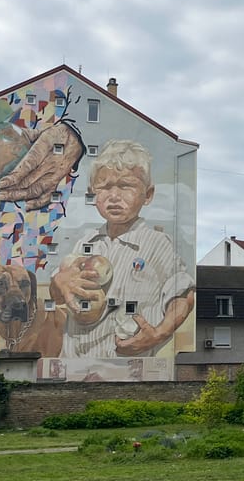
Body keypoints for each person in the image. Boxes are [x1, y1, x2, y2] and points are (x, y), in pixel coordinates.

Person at [49, 140, 195, 358]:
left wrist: (159, 334)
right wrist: (59, 283)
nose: (114, 196)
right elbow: (58, 296)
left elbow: (184, 294)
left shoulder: (156, 244)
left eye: (126, 186)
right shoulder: (86, 243)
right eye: (105, 187)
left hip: (127, 367)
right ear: (92, 193)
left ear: (148, 195)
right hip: (74, 365)